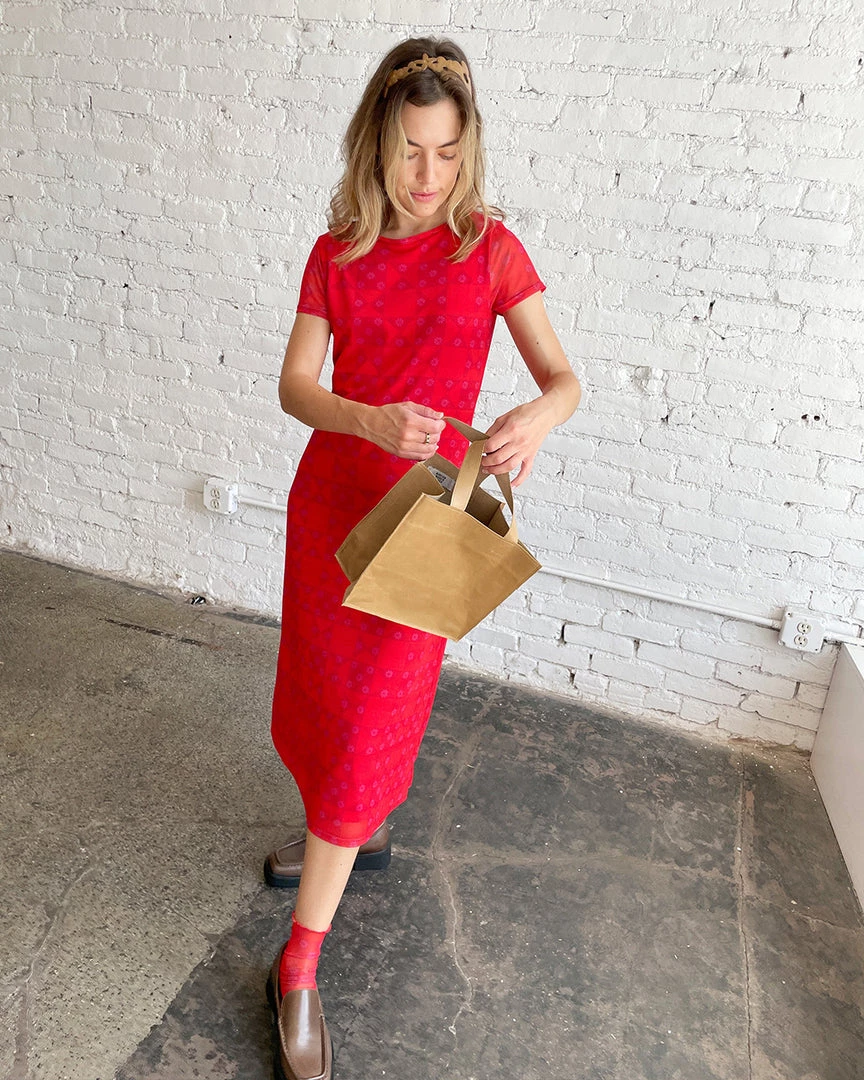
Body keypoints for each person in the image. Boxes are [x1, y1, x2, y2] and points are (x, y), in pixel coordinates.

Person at [265, 36, 581, 1080]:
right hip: (332, 510)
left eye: (447, 153)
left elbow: (564, 379)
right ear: (377, 143)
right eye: (410, 151)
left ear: (467, 149)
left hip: (427, 526)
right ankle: (348, 834)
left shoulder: (489, 250)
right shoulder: (336, 251)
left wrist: (535, 419)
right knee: (326, 705)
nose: (428, 175)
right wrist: (365, 415)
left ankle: (297, 968)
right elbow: (295, 386)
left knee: (372, 719)